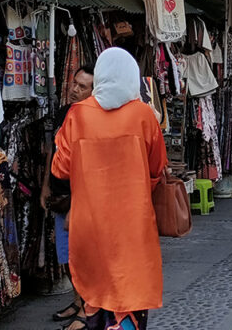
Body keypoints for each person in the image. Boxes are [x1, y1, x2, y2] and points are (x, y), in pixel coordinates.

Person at [52, 48, 167, 330]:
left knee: (95, 292)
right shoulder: (143, 115)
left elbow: (60, 169)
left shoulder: (77, 115)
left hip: (90, 223)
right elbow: (157, 167)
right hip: (133, 224)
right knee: (130, 292)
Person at [41, 64, 95, 330]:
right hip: (60, 194)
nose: (74, 89)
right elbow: (53, 150)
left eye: (82, 86)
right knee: (67, 255)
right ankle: (78, 302)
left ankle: (87, 309)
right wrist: (45, 186)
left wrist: (77, 201)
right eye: (74, 83)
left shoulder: (92, 118)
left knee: (81, 256)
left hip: (80, 199)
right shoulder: (65, 112)